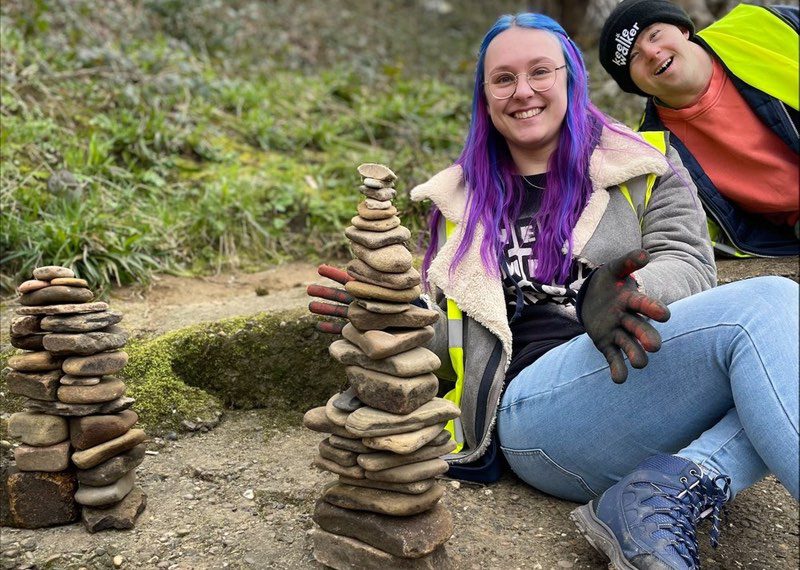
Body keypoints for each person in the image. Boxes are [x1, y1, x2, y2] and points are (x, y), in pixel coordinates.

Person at [309, 12, 799, 570]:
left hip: (648, 381)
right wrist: (388, 317)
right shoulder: (457, 201)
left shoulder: (646, 162)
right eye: (503, 79)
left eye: (540, 71)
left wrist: (621, 293)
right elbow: (447, 335)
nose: (523, 91)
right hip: (534, 411)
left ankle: (657, 496)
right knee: (772, 303)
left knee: (779, 355)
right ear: (485, 97)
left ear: (571, 77)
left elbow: (689, 264)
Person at [599, 0, 799, 257]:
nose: (651, 52)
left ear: (683, 29)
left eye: (655, 35)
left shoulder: (760, 26)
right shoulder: (654, 153)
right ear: (636, 84)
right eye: (633, 57)